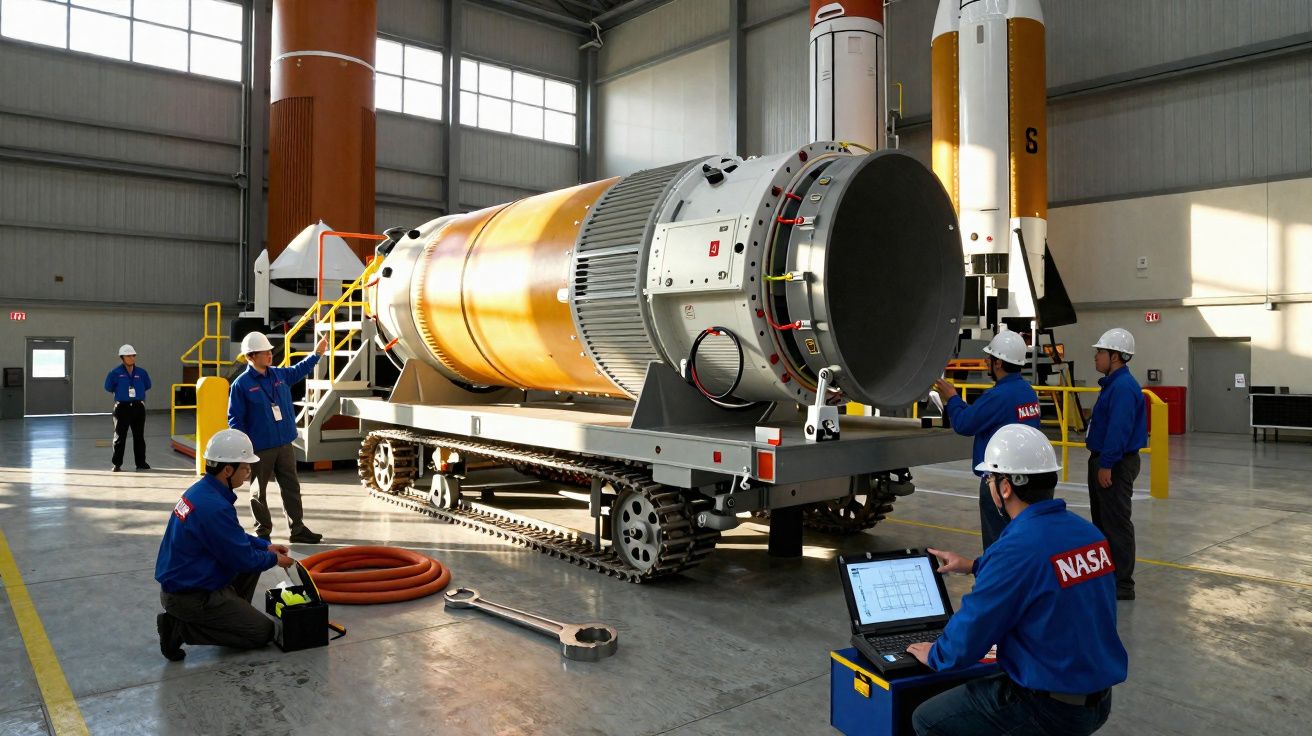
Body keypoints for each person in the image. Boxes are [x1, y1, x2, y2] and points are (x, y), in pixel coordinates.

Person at [905, 424, 1128, 736]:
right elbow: (1044, 572)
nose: (989, 486)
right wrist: (975, 566)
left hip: (1050, 709)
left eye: (989, 479)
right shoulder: (1088, 534)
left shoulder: (1014, 551)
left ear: (1006, 487)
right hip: (1097, 698)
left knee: (927, 719)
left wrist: (935, 654)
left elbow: (968, 638)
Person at [155, 429, 296, 661]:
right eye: (245, 468)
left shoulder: (204, 491)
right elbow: (242, 558)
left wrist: (265, 547)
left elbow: (232, 538)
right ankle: (179, 629)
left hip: (190, 583)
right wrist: (274, 559)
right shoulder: (213, 507)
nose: (248, 474)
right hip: (190, 597)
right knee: (262, 632)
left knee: (254, 558)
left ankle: (230, 614)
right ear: (228, 470)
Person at [932, 330, 1043, 550]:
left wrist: (952, 398)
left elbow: (965, 424)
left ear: (998, 363)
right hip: (1027, 479)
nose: (985, 362)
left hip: (1000, 482)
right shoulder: (1027, 391)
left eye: (989, 358)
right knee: (1021, 540)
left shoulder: (999, 396)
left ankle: (997, 572)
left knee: (998, 542)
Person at [228, 331, 328, 544]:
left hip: (284, 443)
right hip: (260, 447)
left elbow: (299, 369)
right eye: (265, 352)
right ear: (251, 356)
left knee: (291, 486)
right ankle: (263, 532)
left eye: (270, 351)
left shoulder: (278, 375)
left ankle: (297, 528)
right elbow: (235, 419)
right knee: (258, 491)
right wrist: (244, 450)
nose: (270, 355)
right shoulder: (241, 384)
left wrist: (317, 354)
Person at [1086, 328, 1146, 601]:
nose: (1096, 357)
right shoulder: (1113, 384)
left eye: (1100, 352)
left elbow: (1118, 430)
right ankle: (1107, 575)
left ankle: (1123, 584)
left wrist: (1107, 464)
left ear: (1115, 356)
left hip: (1115, 463)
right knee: (1103, 521)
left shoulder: (1122, 387)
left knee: (1115, 523)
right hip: (1106, 459)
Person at [104, 344, 151, 472]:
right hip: (122, 408)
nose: (131, 358)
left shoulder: (141, 372)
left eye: (133, 355)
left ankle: (141, 463)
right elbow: (108, 387)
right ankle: (117, 464)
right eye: (128, 356)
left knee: (139, 436)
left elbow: (147, 385)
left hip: (138, 407)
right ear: (122, 357)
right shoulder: (115, 373)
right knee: (120, 437)